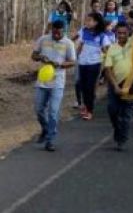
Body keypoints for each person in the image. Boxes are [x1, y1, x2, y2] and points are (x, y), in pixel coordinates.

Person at [31, 20, 76, 152]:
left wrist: (60, 64)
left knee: (53, 112)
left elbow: (72, 62)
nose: (56, 34)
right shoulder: (43, 39)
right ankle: (46, 129)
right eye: (54, 32)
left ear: (64, 31)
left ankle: (50, 140)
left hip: (57, 82)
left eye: (58, 33)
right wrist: (41, 57)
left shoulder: (68, 43)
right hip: (42, 81)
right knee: (39, 109)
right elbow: (33, 55)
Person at [104, 22, 133, 151]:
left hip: (130, 84)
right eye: (119, 33)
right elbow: (108, 69)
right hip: (115, 83)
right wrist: (115, 86)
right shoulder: (112, 48)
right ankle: (117, 129)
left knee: (126, 113)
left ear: (129, 33)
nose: (121, 35)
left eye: (124, 33)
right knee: (112, 110)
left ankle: (122, 139)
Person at [76, 12, 110, 120]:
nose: (87, 22)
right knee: (83, 87)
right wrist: (76, 56)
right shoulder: (83, 31)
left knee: (90, 88)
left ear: (96, 22)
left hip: (94, 64)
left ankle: (89, 110)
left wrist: (108, 62)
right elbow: (80, 45)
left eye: (89, 20)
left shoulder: (102, 35)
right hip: (82, 63)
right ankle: (86, 106)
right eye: (86, 20)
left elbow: (106, 50)